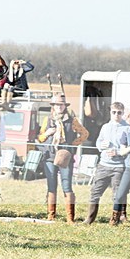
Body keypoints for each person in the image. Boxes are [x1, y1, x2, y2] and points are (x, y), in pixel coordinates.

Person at [37, 93, 89, 222]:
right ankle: (51, 215)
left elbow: (84, 134)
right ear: (53, 106)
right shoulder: (47, 120)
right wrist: (47, 133)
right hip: (50, 157)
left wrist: (71, 146)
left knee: (67, 186)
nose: (59, 107)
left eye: (61, 104)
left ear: (65, 106)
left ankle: (70, 217)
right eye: (56, 105)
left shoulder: (72, 121)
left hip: (65, 157)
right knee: (51, 186)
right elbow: (40, 138)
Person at [82, 102, 128, 225]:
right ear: (110, 112)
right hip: (103, 165)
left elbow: (129, 148)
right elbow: (98, 141)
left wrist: (118, 152)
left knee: (117, 195)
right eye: (114, 112)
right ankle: (90, 219)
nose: (116, 115)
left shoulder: (127, 128)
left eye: (119, 112)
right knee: (95, 192)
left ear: (123, 113)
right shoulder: (105, 127)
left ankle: (116, 219)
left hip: (119, 166)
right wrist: (100, 145)